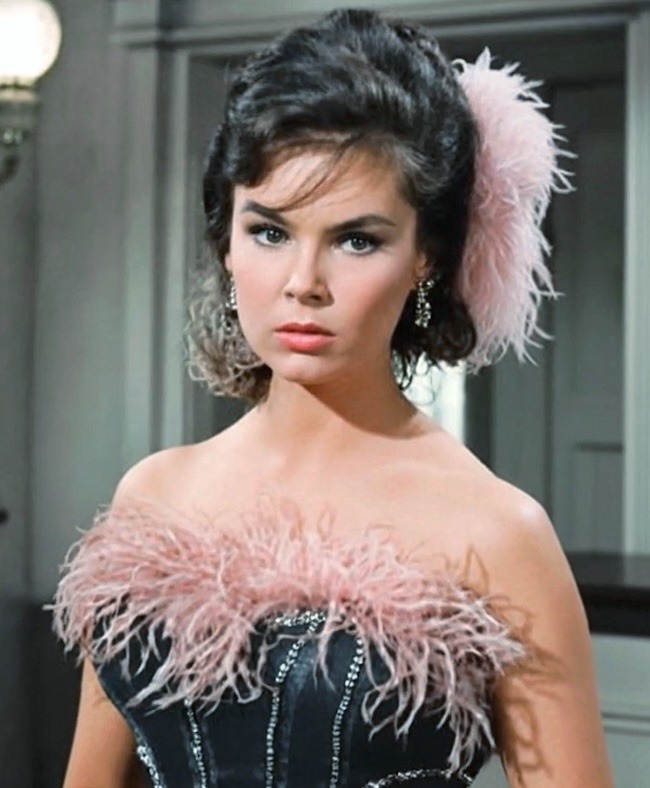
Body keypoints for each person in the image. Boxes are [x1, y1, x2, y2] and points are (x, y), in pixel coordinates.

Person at [49, 8, 613, 787]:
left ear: (425, 257)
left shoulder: (498, 534)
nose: (303, 283)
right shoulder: (152, 498)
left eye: (357, 240)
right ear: (226, 240)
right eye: (270, 232)